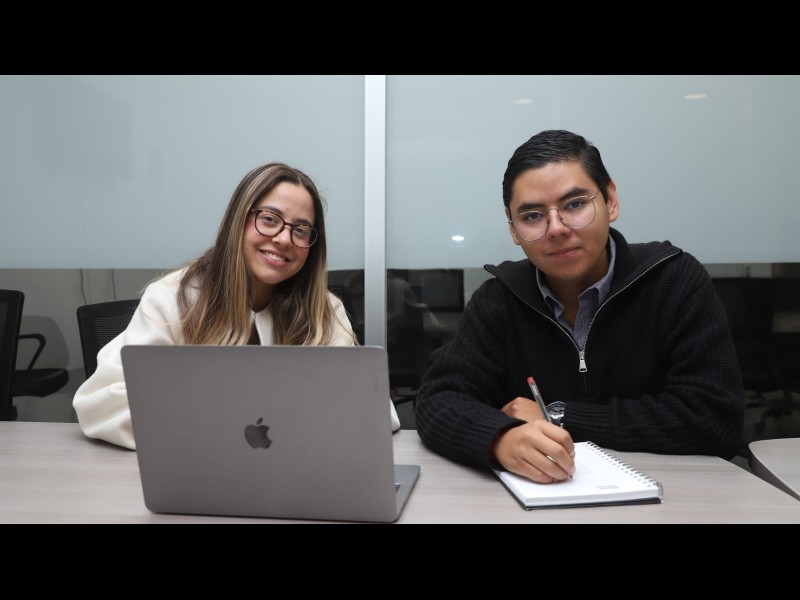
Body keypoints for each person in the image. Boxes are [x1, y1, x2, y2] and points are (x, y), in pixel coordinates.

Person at [415, 130, 744, 484]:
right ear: (513, 229)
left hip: (673, 494)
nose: (556, 228)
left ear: (611, 201)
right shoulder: (499, 299)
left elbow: (714, 418)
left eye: (574, 205)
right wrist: (500, 439)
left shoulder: (672, 280)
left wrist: (559, 417)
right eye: (532, 216)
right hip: (539, 496)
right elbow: (438, 400)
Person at [74, 162, 400, 449]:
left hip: (296, 475)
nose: (283, 239)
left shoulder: (324, 311)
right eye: (269, 219)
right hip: (198, 475)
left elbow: (375, 411)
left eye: (301, 230)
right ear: (237, 221)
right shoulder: (171, 299)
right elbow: (103, 407)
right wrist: (234, 426)